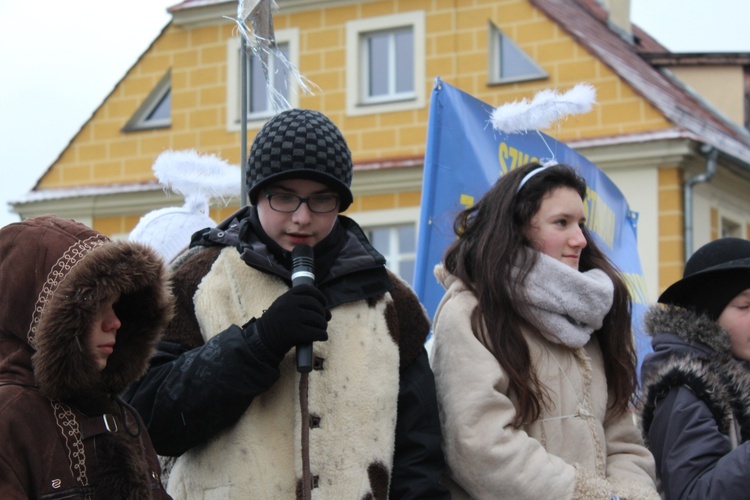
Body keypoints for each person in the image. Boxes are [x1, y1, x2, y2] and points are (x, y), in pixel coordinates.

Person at [124, 108, 449, 499]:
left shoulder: (390, 300)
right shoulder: (195, 281)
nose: (301, 217)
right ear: (258, 195)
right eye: (284, 197)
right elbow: (148, 419)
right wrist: (259, 342)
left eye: (321, 200)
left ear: (340, 202)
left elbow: (421, 455)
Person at [430, 162, 659, 499]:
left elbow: (624, 442)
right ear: (519, 228)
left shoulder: (591, 319)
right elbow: (479, 443)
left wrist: (629, 495)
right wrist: (587, 496)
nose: (580, 239)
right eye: (561, 223)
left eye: (581, 223)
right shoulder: (471, 313)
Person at [0, 215, 173, 498]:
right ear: (46, 318)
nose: (115, 322)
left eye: (116, 304)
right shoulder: (10, 419)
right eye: (96, 305)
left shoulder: (123, 417)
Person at [639, 237, 750, 499]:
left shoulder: (740, 372)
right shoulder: (686, 389)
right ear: (708, 315)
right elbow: (692, 492)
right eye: (745, 306)